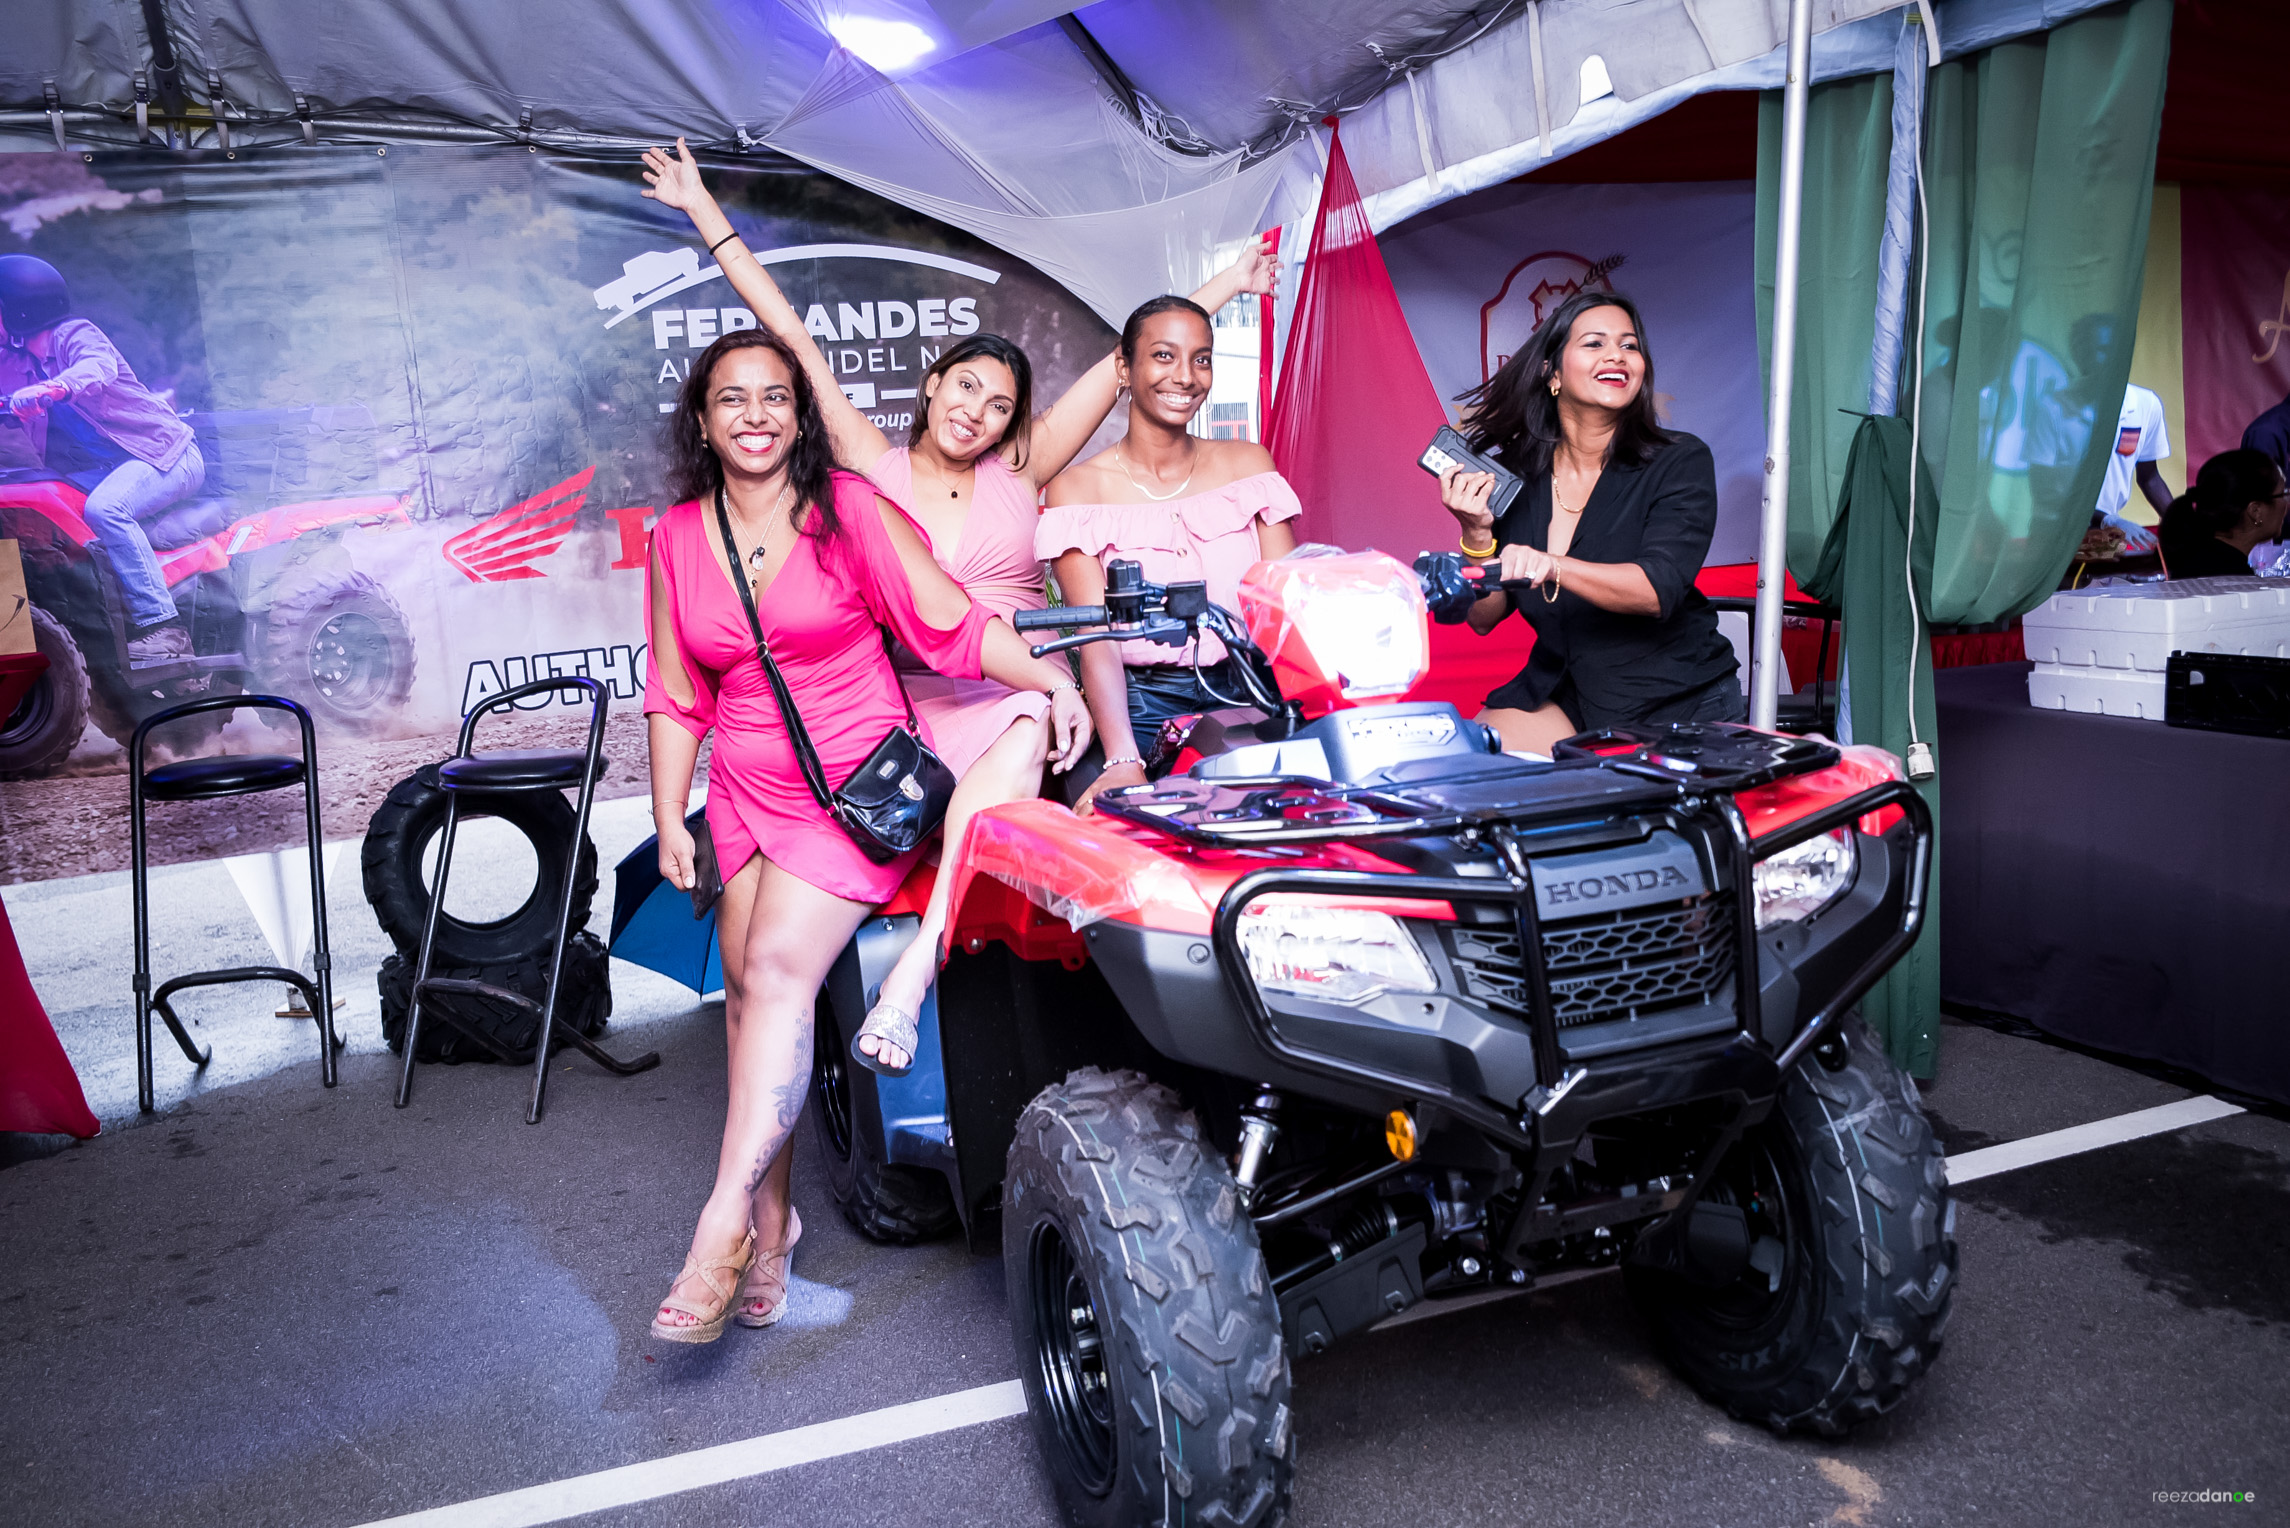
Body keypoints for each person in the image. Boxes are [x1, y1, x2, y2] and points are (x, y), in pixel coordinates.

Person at [639, 139, 1274, 1073]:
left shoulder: (1024, 469)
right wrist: (704, 212)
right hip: (908, 700)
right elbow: (793, 340)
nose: (977, 409)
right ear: (932, 385)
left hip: (1014, 684)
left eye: (1000, 403)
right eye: (966, 385)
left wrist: (1227, 285)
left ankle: (914, 976)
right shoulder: (870, 464)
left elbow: (1132, 361)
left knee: (1031, 714)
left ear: (1014, 423)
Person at [642, 328, 1090, 1343]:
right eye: (732, 398)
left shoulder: (848, 508)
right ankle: (774, 1227)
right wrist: (671, 812)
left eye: (775, 396)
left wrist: (1047, 679)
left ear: (800, 415)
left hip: (852, 782)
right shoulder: (675, 537)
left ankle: (717, 1227)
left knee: (780, 974)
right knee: (747, 998)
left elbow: (950, 623)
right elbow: (675, 690)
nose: (756, 414)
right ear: (702, 421)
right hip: (744, 786)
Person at [1436, 289, 1738, 755]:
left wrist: (1552, 565)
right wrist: (1476, 533)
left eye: (1629, 345)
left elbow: (1656, 590)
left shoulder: (1680, 459)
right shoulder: (1519, 473)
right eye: (1595, 343)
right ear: (1553, 373)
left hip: (1674, 697)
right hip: (1567, 690)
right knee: (1473, 762)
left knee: (1630, 803)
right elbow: (1483, 617)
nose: (1617, 355)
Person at [1040, 295, 1300, 813]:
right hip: (1140, 708)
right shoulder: (1077, 490)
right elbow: (1098, 640)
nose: (1185, 376)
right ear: (1124, 367)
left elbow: (1289, 609)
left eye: (1201, 359)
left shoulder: (1250, 466)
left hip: (1251, 690)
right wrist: (1122, 756)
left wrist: (1301, 713)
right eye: (1164, 355)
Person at [0, 255, 205, 665]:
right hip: (104, 471)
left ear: (20, 309)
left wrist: (52, 389)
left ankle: (165, 628)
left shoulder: (74, 335)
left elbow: (98, 367)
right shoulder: (20, 362)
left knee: (106, 509)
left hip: (164, 455)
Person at [2158, 449, 2286, 581]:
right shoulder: (2234, 579)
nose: (2287, 504)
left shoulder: (2201, 560)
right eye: (2282, 494)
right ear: (2255, 511)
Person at [2092, 381, 2173, 554]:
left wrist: (2180, 523)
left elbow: (2150, 478)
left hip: (2104, 534)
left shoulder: (2145, 403)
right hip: (2059, 532)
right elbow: (2047, 492)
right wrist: (2106, 519)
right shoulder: (2055, 405)